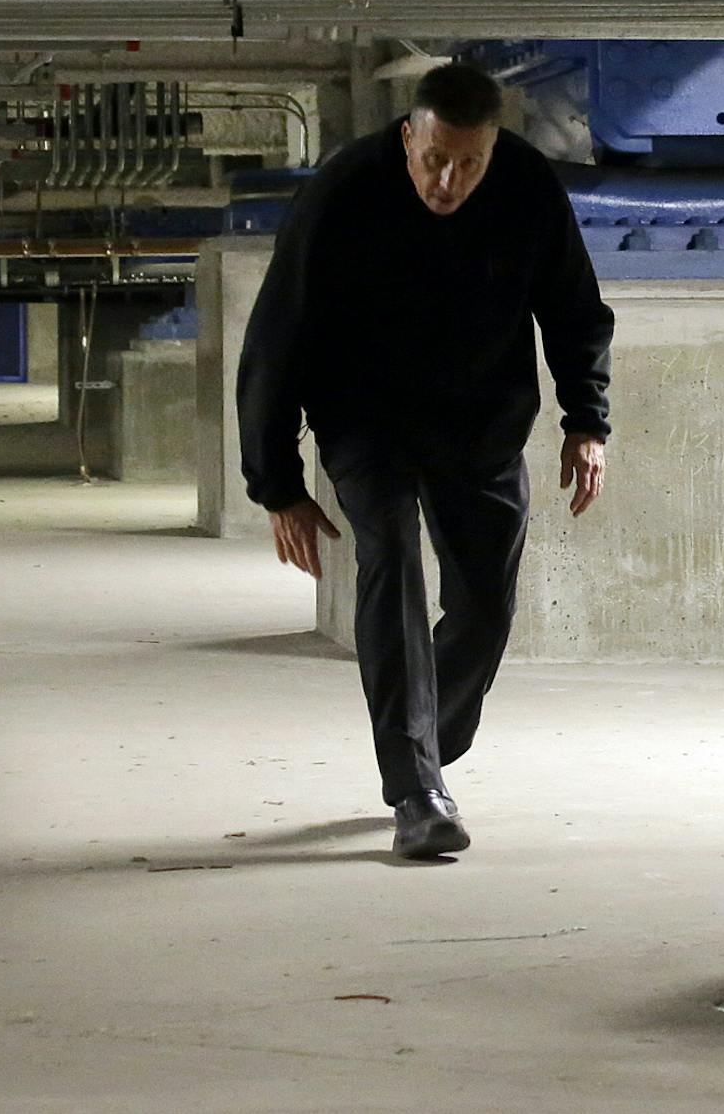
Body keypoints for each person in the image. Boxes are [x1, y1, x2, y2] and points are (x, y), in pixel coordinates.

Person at [234, 63, 613, 859]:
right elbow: (277, 338)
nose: (450, 180)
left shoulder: (526, 188)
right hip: (366, 421)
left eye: (470, 162)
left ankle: (425, 740)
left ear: (492, 148)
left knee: (485, 607)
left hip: (481, 423)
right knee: (394, 561)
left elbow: (573, 306)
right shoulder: (343, 192)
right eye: (436, 158)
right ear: (409, 135)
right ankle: (417, 791)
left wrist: (588, 420)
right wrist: (276, 484)